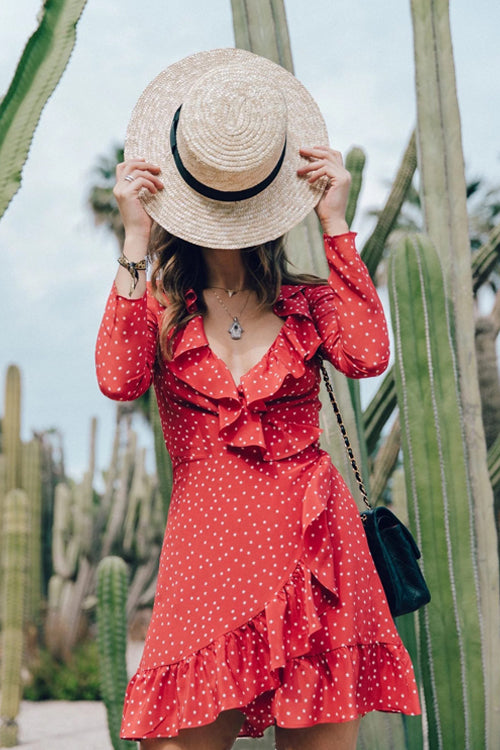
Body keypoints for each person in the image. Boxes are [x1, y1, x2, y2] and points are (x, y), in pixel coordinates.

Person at [96, 48, 420, 750]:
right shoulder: (159, 305)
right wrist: (132, 237)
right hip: (206, 557)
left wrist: (336, 224)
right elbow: (119, 378)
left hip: (314, 551)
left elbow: (368, 355)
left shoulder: (307, 301)